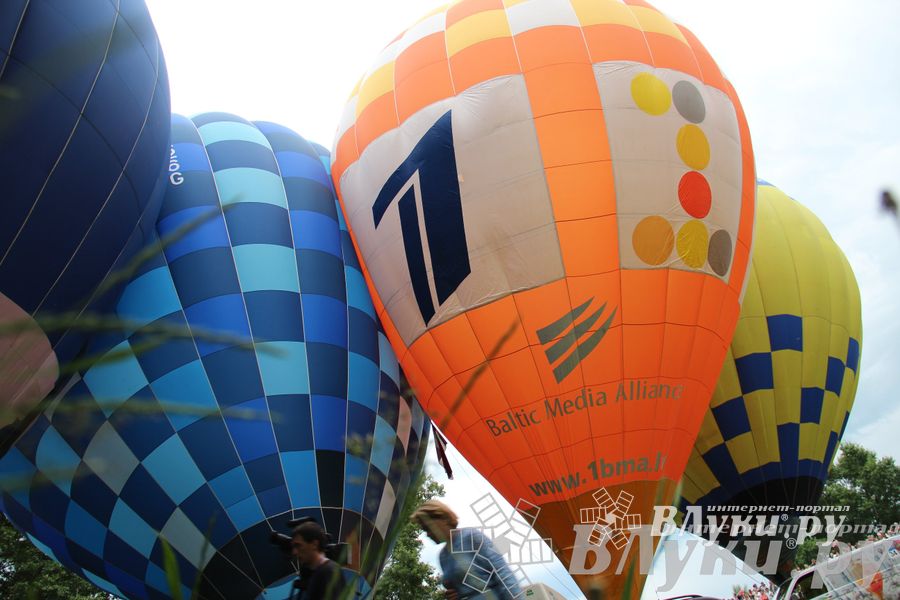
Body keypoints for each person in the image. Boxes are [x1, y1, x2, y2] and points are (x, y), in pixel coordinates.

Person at [412, 500, 522, 600]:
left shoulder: (471, 537)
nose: (427, 534)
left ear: (444, 519)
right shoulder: (443, 556)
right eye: (424, 530)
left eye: (428, 527)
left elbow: (503, 574)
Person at [291, 521, 347, 600]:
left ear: (314, 544)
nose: (294, 552)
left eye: (298, 545)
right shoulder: (319, 572)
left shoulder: (328, 572)